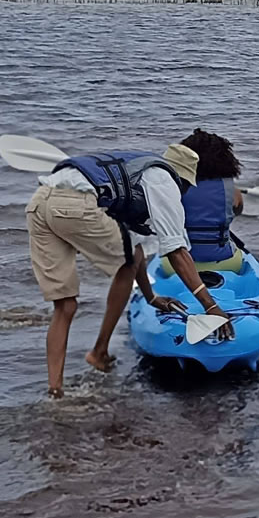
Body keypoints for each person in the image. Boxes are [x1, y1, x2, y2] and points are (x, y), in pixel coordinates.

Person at [25, 140, 230, 398]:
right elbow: (176, 251)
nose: (185, 192)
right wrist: (211, 307)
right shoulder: (163, 179)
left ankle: (55, 392)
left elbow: (134, 248)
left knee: (65, 305)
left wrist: (151, 297)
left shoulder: (133, 174)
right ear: (182, 178)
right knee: (127, 264)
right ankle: (99, 351)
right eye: (187, 187)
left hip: (39, 203)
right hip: (75, 205)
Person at [175, 129, 248, 274]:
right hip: (225, 262)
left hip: (178, 264)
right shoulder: (231, 189)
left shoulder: (174, 187)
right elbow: (237, 211)